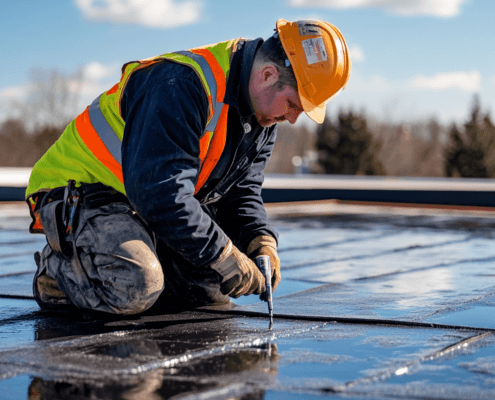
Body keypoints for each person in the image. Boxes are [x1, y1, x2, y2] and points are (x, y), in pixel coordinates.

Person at [25, 19, 351, 315]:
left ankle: (136, 251)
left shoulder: (262, 116)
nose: (293, 117)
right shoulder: (181, 85)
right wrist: (223, 253)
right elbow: (160, 193)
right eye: (294, 104)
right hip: (81, 192)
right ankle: (58, 274)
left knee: (207, 287)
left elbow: (241, 191)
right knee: (136, 284)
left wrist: (260, 240)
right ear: (268, 75)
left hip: (137, 201)